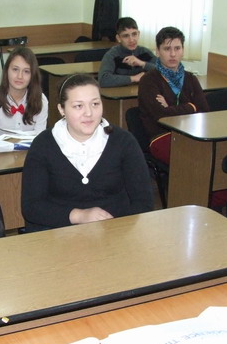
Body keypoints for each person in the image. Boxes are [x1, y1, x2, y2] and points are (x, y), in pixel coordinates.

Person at [21, 73, 153, 232]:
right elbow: (32, 207)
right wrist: (79, 216)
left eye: (95, 104)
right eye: (78, 106)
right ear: (62, 109)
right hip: (59, 234)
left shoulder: (124, 142)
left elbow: (144, 202)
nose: (89, 113)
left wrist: (115, 228)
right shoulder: (43, 145)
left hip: (114, 232)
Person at [138, 26, 209, 164]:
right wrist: (191, 107)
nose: (173, 54)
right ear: (157, 51)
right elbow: (161, 115)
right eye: (167, 49)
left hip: (191, 132)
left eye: (177, 48)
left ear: (183, 50)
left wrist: (170, 107)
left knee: (213, 153)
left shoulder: (190, 78)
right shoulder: (149, 80)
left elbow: (204, 111)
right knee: (195, 158)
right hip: (162, 136)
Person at [0, 46, 48, 137]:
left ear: (33, 75)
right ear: (6, 71)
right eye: (15, 69)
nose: (20, 76)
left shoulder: (41, 100)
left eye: (26, 71)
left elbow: (40, 137)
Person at [98, 17, 154, 87]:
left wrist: (142, 64)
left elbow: (163, 71)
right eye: (126, 36)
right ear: (118, 38)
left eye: (134, 34)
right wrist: (133, 78)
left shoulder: (145, 52)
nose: (131, 40)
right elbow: (103, 80)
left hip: (143, 92)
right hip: (119, 93)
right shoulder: (112, 55)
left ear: (138, 34)